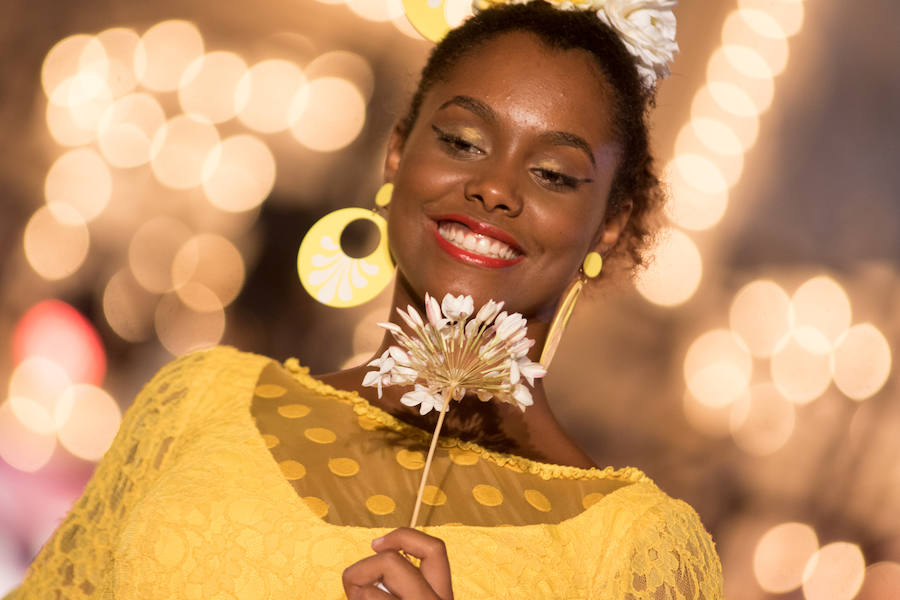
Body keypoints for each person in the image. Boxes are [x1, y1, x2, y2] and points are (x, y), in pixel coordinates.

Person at [7, 1, 723, 598]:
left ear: (612, 223)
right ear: (398, 153)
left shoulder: (630, 552)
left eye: (554, 174)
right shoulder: (199, 405)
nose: (497, 188)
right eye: (464, 140)